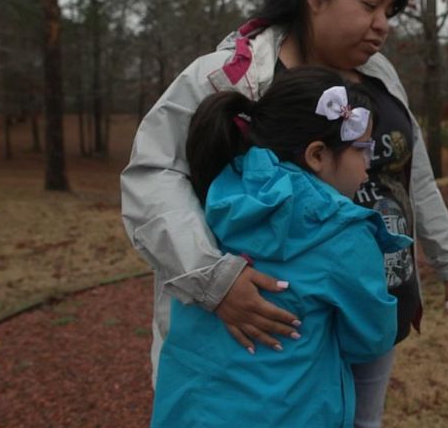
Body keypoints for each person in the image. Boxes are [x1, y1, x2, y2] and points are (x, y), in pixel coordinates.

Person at [121, 0, 448, 427]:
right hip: (267, 328)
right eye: (371, 4)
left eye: (390, 12)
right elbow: (153, 176)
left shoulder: (380, 76)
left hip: (368, 305)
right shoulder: (230, 77)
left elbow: (408, 172)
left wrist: (446, 254)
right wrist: (213, 279)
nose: (382, 25)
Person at [151, 67, 411, 427]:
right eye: (362, 149)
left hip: (189, 411)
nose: (369, 165)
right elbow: (371, 339)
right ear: (318, 155)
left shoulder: (215, 194)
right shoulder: (344, 234)